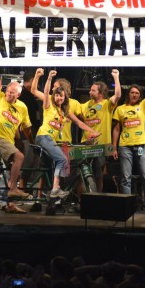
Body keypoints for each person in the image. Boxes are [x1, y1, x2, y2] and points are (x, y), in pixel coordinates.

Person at [34, 68, 100, 197]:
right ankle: (53, 190)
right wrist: (48, 78)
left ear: (65, 97)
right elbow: (43, 91)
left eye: (61, 95)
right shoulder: (48, 104)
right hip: (44, 137)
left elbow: (79, 122)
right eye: (56, 95)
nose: (58, 97)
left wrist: (93, 131)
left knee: (63, 164)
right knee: (61, 160)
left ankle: (56, 194)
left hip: (57, 141)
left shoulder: (65, 111)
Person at [0, 55, 34, 214]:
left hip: (8, 141)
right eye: (8, 91)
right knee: (19, 157)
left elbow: (26, 128)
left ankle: (9, 204)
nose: (9, 94)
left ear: (18, 95)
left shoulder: (23, 108)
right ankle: (13, 189)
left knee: (9, 171)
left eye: (13, 93)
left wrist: (32, 142)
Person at [112, 70, 145, 214]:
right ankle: (128, 204)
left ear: (140, 96)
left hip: (141, 145)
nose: (134, 95)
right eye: (132, 92)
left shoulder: (144, 105)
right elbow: (116, 129)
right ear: (129, 94)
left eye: (137, 93)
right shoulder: (120, 109)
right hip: (125, 146)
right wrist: (113, 148)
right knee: (126, 177)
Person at [79, 70, 122, 191]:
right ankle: (84, 199)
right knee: (85, 174)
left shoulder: (107, 104)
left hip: (101, 145)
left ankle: (97, 198)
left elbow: (118, 95)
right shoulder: (85, 105)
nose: (89, 92)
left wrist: (116, 77)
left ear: (100, 93)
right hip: (86, 143)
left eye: (93, 90)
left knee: (99, 175)